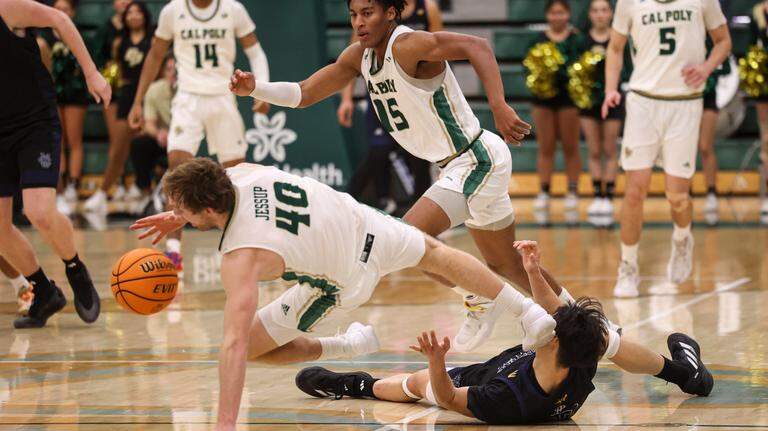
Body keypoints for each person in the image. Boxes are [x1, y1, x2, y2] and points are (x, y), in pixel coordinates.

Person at [229, 0, 562, 355]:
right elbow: (306, 92)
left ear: (390, 12)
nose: (359, 22)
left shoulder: (407, 45)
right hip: (456, 164)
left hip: (474, 158)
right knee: (505, 263)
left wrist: (498, 104)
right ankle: (579, 316)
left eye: (367, 13)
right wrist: (256, 89)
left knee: (409, 237)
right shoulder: (359, 56)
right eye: (354, 15)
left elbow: (476, 46)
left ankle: (478, 296)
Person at [129, 158, 558, 430]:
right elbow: (215, 189)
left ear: (206, 211)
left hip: (343, 279)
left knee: (253, 348)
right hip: (365, 222)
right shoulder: (239, 173)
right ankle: (531, 314)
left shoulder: (240, 256)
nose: (180, 215)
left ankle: (343, 345)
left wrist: (225, 424)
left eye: (184, 210)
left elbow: (233, 344)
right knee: (437, 254)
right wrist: (177, 216)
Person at [296, 241, 714, 425]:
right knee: (603, 334)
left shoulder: (506, 401)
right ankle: (686, 375)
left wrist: (436, 363)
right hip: (544, 371)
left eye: (551, 329)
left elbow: (448, 399)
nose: (548, 324)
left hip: (475, 381)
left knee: (413, 386)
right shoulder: (579, 360)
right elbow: (564, 319)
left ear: (553, 344)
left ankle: (353, 384)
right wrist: (532, 271)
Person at [127, 0, 271, 272]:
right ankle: (173, 252)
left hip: (223, 95)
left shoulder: (233, 9)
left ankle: (246, 246)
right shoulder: (173, 11)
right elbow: (155, 56)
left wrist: (260, 89)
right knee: (177, 172)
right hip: (188, 98)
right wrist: (138, 100)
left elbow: (255, 52)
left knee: (237, 175)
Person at [602, 0, 731, 297]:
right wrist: (611, 88)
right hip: (642, 101)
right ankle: (628, 267)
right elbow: (615, 47)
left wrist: (707, 67)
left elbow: (723, 41)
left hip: (684, 104)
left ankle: (683, 238)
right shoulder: (629, 3)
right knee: (635, 189)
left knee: (677, 195)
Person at [0, 0, 109, 328]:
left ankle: (75, 269)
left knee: (39, 210)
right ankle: (44, 291)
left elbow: (59, 19)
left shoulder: (7, 8)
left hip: (34, 123)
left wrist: (91, 72)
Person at [339, 0, 442, 213]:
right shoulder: (376, 10)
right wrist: (346, 98)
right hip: (383, 90)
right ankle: (357, 202)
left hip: (415, 95)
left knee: (420, 157)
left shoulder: (428, 8)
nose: (359, 21)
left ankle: (423, 216)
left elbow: (441, 53)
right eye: (354, 15)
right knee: (379, 150)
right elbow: (353, 56)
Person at [84, 0, 152, 214]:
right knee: (119, 147)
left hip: (149, 94)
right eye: (129, 13)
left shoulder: (153, 40)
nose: (133, 16)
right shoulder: (118, 42)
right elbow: (116, 69)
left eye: (137, 12)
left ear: (144, 15)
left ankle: (147, 193)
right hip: (127, 96)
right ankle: (103, 192)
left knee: (146, 145)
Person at [528, 0, 583, 219]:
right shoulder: (538, 40)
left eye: (561, 12)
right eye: (553, 13)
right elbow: (528, 67)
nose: (557, 16)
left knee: (571, 146)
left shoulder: (577, 40)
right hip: (542, 100)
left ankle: (572, 191)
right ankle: (544, 192)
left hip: (569, 100)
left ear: (567, 14)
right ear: (547, 15)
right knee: (546, 147)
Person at [580, 0, 623, 225]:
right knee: (594, 150)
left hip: (612, 100)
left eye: (604, 10)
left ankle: (610, 196)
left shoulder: (618, 39)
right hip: (588, 102)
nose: (600, 14)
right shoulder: (582, 40)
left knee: (609, 149)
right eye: (595, 10)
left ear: (611, 13)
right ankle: (597, 195)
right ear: (590, 14)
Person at [45, 0, 89, 217]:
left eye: (66, 9)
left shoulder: (77, 35)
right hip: (52, 94)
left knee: (74, 139)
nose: (61, 12)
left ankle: (73, 184)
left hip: (75, 93)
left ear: (72, 12)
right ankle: (59, 186)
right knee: (57, 141)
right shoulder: (44, 36)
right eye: (58, 8)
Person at [130, 55, 175, 215]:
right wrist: (158, 133)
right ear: (163, 72)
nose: (173, 74)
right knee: (139, 144)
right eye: (169, 69)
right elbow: (148, 123)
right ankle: (147, 193)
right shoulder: (155, 90)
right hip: (164, 141)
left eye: (176, 70)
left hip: (187, 139)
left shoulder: (191, 90)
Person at [95, 0, 131, 200]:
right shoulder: (105, 29)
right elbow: (97, 57)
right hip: (113, 91)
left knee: (131, 141)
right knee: (117, 140)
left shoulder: (137, 24)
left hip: (133, 91)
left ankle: (131, 184)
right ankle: (118, 183)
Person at [699, 40, 730, 226]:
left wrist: (708, 71)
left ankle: (711, 192)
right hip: (685, 98)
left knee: (705, 146)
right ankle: (685, 193)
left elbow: (725, 67)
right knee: (684, 148)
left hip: (708, 97)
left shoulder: (713, 40)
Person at [749, 1, 768, 217]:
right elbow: (753, 49)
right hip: (764, 83)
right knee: (766, 141)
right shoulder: (757, 14)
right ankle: (765, 198)